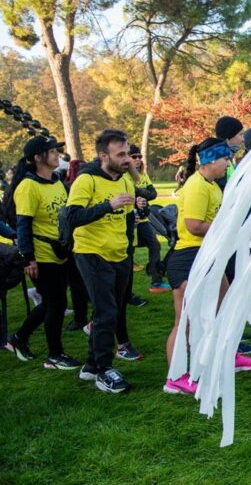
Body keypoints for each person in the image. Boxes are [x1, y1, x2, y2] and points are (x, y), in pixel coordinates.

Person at [163, 137, 251, 395]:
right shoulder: (197, 186)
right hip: (188, 258)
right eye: (226, 159)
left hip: (209, 255)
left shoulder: (212, 185)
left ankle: (226, 356)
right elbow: (194, 226)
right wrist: (229, 227)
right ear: (211, 160)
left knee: (224, 308)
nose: (228, 164)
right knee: (184, 321)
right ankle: (174, 378)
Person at [67, 129, 141, 393]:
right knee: (107, 312)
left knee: (110, 312)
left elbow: (128, 217)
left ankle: (90, 365)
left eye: (127, 153)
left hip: (120, 254)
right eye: (120, 154)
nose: (127, 159)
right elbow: (72, 217)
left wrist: (128, 248)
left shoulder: (125, 180)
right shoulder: (86, 180)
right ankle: (103, 369)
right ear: (103, 156)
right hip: (91, 253)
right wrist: (107, 206)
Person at [6, 136, 81, 370]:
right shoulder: (28, 186)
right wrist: (29, 259)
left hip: (62, 250)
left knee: (52, 302)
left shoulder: (56, 181)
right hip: (41, 255)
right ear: (38, 157)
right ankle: (54, 356)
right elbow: (23, 225)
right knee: (56, 303)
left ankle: (18, 338)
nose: (57, 154)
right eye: (52, 151)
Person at [126, 145, 169, 293]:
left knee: (155, 245)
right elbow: (126, 195)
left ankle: (156, 282)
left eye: (140, 156)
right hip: (129, 220)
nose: (138, 159)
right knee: (128, 253)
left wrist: (139, 193)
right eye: (134, 157)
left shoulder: (142, 174)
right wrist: (139, 196)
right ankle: (127, 293)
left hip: (143, 220)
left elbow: (153, 194)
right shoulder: (124, 176)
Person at [214, 116, 244, 190]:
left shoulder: (226, 156)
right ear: (229, 137)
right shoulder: (219, 160)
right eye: (240, 134)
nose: (243, 139)